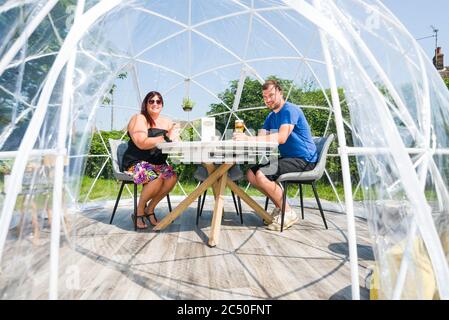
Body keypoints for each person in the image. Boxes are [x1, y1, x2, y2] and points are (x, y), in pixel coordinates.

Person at [233, 80, 317, 231]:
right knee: (251, 174)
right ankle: (280, 206)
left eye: (271, 95)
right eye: (265, 97)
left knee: (263, 174)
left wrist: (249, 139)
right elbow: (262, 137)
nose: (268, 100)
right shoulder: (271, 116)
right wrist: (244, 138)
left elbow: (282, 137)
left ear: (280, 92)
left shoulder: (289, 110)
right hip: (289, 158)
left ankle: (288, 213)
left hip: (305, 159)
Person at [122, 91, 178, 229]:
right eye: (151, 101)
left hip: (158, 163)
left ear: (162, 104)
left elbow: (174, 143)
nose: (155, 104)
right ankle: (139, 211)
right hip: (136, 162)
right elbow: (141, 142)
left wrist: (175, 135)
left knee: (172, 178)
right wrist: (165, 138)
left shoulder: (167, 122)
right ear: (145, 104)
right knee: (155, 178)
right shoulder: (139, 118)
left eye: (158, 101)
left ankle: (150, 209)